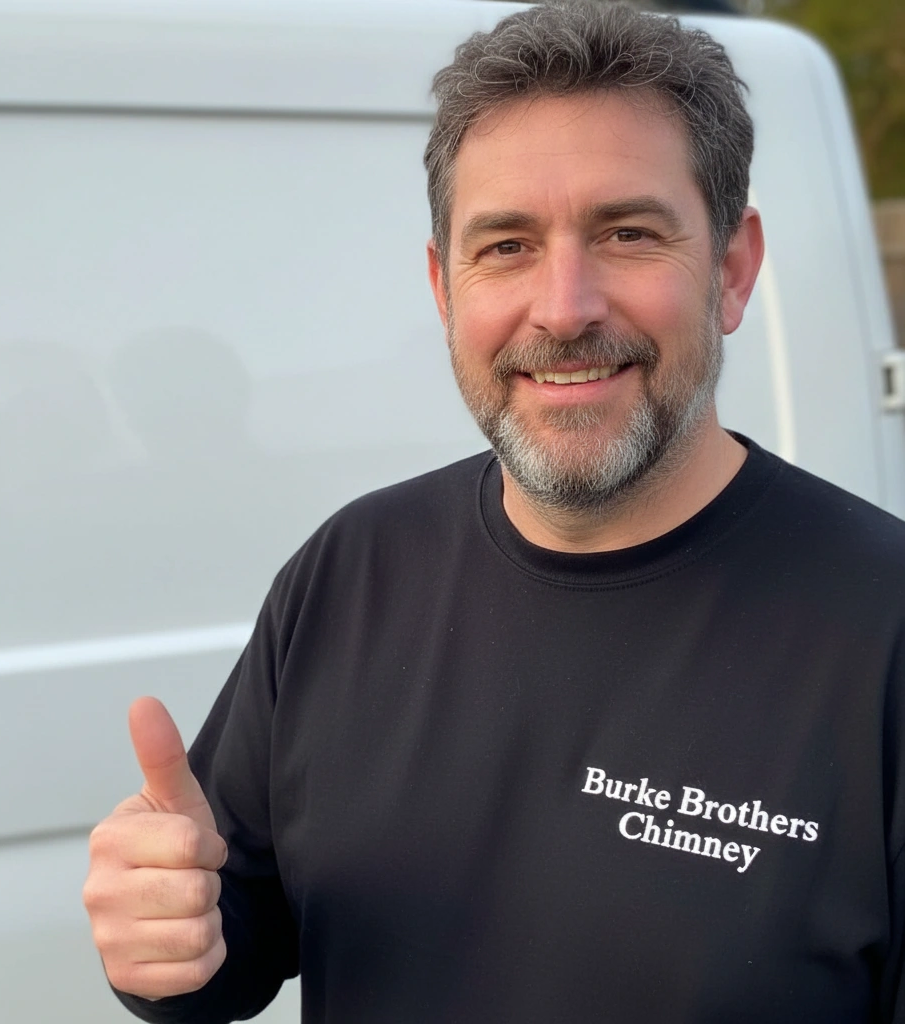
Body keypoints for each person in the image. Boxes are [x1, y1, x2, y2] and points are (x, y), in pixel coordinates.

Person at [82, 2, 905, 1021]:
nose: (563, 308)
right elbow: (228, 943)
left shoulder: (881, 629)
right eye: (506, 245)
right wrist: (165, 940)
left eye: (628, 232)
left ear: (731, 270)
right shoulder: (350, 574)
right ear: (442, 286)